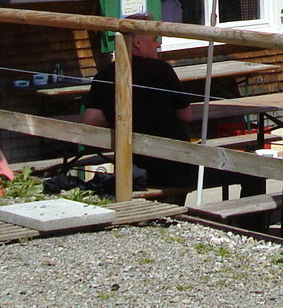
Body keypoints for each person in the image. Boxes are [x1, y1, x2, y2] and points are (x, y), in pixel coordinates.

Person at [82, 32, 199, 192]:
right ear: (137, 42)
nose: (158, 44)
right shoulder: (162, 70)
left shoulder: (104, 74)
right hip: (174, 167)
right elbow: (186, 115)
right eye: (154, 39)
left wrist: (119, 121)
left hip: (132, 170)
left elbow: (91, 119)